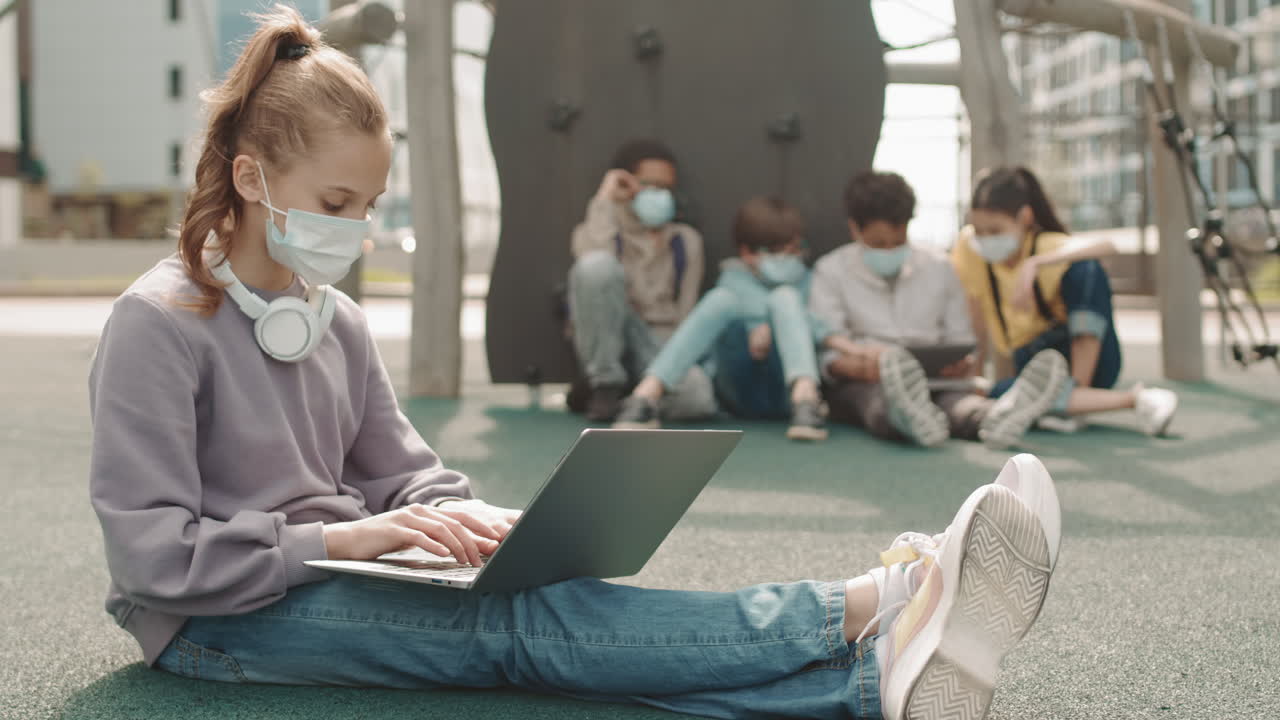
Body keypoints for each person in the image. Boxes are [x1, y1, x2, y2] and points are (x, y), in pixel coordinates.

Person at [88, 9, 1062, 719]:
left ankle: (872, 689)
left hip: (330, 578)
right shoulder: (155, 326)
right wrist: (348, 543)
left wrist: (469, 522)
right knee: (513, 637)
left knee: (533, 608)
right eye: (336, 203)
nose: (357, 229)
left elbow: (404, 471)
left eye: (369, 205)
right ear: (253, 179)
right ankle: (874, 601)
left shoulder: (327, 316)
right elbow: (154, 560)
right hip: (218, 627)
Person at [811, 171, 1070, 448]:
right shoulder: (830, 271)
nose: (889, 250)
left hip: (937, 380)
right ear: (854, 229)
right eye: (879, 243)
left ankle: (998, 416)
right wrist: (863, 366)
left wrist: (962, 363)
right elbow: (827, 352)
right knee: (875, 401)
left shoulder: (940, 267)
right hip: (865, 382)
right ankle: (906, 415)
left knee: (960, 405)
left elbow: (959, 338)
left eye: (898, 242)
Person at [953, 166, 1178, 445]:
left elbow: (1108, 245)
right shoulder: (969, 248)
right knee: (998, 392)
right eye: (979, 230)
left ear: (1024, 217)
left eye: (995, 230)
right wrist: (974, 375)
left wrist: (1035, 263)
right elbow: (976, 310)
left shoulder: (1047, 246)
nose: (985, 239)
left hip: (1088, 359)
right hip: (1032, 359)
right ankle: (1136, 400)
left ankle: (1075, 397)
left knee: (1085, 269)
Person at [613, 195, 830, 441]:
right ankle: (645, 396)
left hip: (783, 388)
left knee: (785, 297)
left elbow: (828, 333)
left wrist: (774, 328)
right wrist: (755, 331)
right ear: (747, 252)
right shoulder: (732, 279)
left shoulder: (809, 281)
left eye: (794, 249)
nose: (788, 258)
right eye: (776, 251)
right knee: (721, 300)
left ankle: (806, 400)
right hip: (735, 386)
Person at [566, 138, 715, 422]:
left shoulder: (686, 241)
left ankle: (631, 400)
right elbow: (592, 276)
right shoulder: (598, 230)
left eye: (665, 187)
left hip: (658, 345)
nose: (657, 194)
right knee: (597, 265)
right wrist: (605, 200)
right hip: (610, 341)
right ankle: (605, 385)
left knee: (698, 398)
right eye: (648, 184)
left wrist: (669, 368)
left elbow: (686, 315)